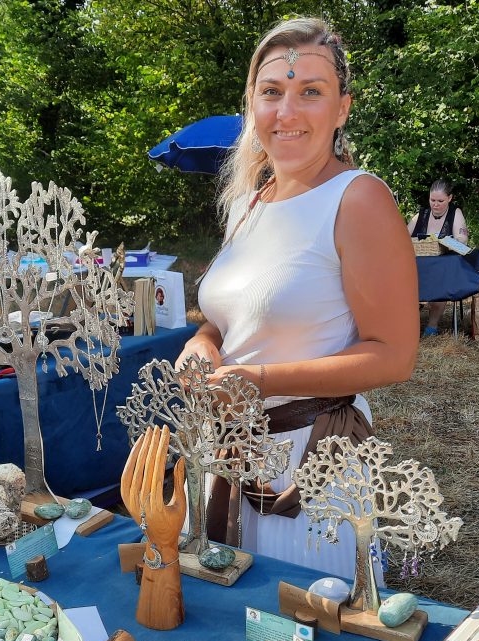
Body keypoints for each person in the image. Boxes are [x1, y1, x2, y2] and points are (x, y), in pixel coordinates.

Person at [176, 18, 418, 577]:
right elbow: (227, 320)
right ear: (252, 106)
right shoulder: (250, 203)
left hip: (306, 466)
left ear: (342, 109)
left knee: (304, 638)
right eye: (272, 92)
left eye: (311, 91)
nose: (287, 111)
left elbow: (393, 354)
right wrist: (202, 345)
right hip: (228, 452)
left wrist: (258, 381)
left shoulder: (358, 200)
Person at [407, 179, 469, 336]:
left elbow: (462, 241)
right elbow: (403, 237)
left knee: (441, 278)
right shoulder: (421, 214)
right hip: (417, 265)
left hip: (443, 265)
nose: (435, 204)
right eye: (432, 200)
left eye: (440, 201)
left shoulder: (455, 213)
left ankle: (432, 325)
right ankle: (408, 316)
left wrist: (444, 242)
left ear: (450, 198)